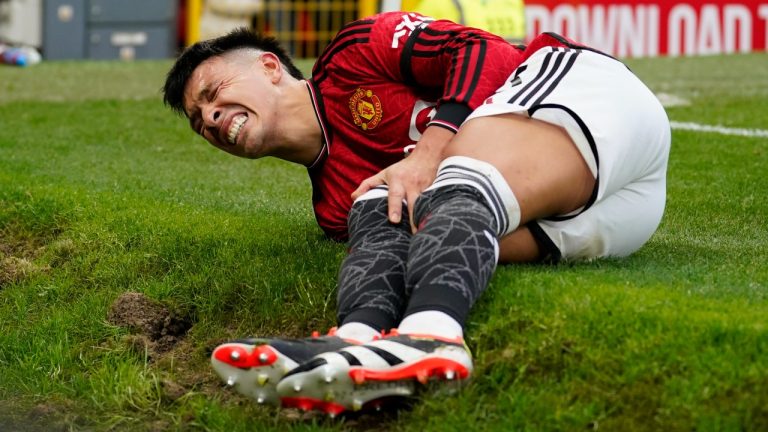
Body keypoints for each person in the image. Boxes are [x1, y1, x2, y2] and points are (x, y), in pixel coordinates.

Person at [163, 12, 670, 415]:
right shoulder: (333, 206)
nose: (210, 117)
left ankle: (434, 333)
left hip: (591, 104)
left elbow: (484, 50)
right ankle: (354, 342)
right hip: (603, 217)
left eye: (212, 93)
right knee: (378, 205)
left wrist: (428, 153)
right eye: (198, 120)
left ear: (270, 67)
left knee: (440, 183)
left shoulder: (353, 54)